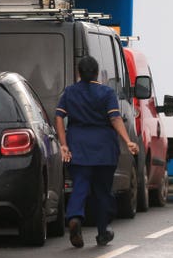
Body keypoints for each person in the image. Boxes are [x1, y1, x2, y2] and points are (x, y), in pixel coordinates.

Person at [55, 56, 139, 248]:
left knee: (80, 186)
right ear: (96, 72)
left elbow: (59, 117)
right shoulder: (106, 93)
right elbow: (115, 119)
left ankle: (75, 216)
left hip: (78, 146)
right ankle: (103, 232)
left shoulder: (70, 92)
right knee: (102, 192)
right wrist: (128, 141)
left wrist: (64, 144)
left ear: (79, 73)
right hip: (104, 148)